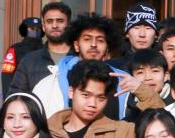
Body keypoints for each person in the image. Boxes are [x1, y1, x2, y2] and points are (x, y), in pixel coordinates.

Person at [33, 14, 162, 120]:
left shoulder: (123, 81)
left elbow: (157, 116)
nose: (93, 44)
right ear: (76, 45)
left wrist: (140, 89)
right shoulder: (52, 82)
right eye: (87, 39)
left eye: (100, 40)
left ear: (107, 48)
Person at [7, 2, 72, 96]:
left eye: (60, 21)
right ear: (43, 26)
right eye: (49, 21)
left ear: (68, 25)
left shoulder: (80, 58)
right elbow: (16, 96)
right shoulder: (28, 61)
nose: (54, 25)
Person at [123, 49, 170, 125]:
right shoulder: (127, 103)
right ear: (132, 78)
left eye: (155, 71)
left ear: (166, 76)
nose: (148, 78)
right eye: (140, 72)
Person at [1, 17, 44, 95]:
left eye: (38, 29)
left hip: (43, 95)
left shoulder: (46, 50)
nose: (35, 31)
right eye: (32, 28)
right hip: (21, 95)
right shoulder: (15, 49)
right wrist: (8, 97)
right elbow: (7, 75)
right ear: (25, 30)